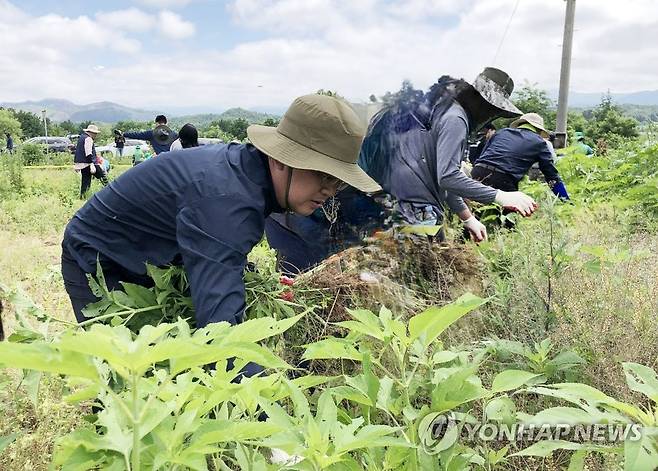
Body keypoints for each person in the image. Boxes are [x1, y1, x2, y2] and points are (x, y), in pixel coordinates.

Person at [60, 94, 380, 373]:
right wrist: (266, 432)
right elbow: (221, 329)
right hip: (100, 258)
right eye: (322, 175)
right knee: (131, 377)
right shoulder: (226, 201)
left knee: (176, 368)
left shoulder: (248, 177)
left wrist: (250, 276)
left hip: (157, 256)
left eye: (338, 180)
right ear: (283, 159)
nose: (330, 189)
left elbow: (218, 251)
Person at [472, 112, 570, 200]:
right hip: (503, 179)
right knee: (508, 216)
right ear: (539, 130)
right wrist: (564, 199)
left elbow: (482, 156)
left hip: (477, 172)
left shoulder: (502, 132)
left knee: (475, 213)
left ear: (519, 125)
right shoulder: (539, 142)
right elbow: (551, 176)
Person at [73, 124, 109, 198]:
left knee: (85, 181)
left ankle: (83, 196)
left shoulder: (81, 138)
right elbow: (88, 153)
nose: (96, 135)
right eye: (95, 133)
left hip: (81, 163)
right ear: (91, 132)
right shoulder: (88, 139)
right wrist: (91, 163)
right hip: (88, 163)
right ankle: (110, 191)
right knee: (102, 176)